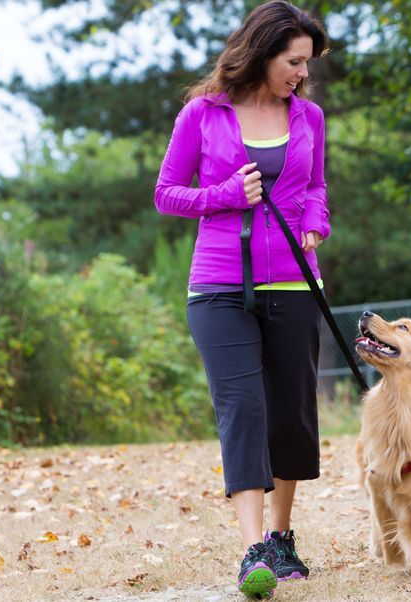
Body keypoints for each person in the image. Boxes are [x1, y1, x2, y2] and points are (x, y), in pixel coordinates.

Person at [153, 1, 330, 598]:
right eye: (294, 61)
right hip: (219, 285)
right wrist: (225, 194)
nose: (301, 73)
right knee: (243, 409)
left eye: (306, 63)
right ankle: (252, 548)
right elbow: (167, 194)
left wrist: (316, 221)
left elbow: (316, 188)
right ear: (263, 52)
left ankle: (282, 538)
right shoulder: (202, 115)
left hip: (293, 283)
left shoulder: (309, 116)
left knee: (291, 414)